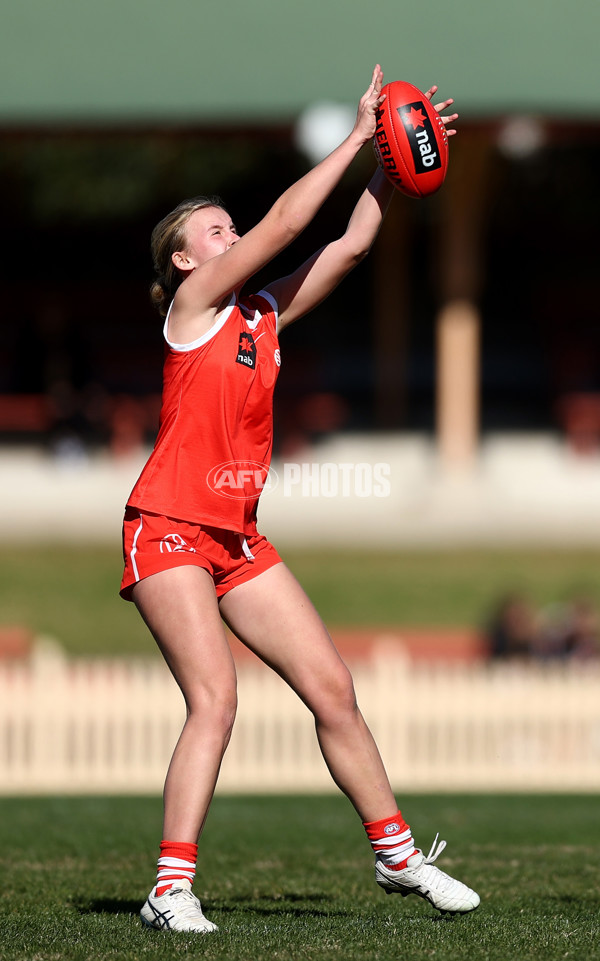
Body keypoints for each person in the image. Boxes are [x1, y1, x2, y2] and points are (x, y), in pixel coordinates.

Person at [120, 65, 479, 933]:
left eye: (228, 226)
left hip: (236, 535)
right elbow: (288, 223)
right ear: (183, 258)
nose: (230, 233)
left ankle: (397, 857)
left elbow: (348, 246)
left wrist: (393, 165)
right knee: (216, 698)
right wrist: (357, 135)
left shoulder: (259, 318)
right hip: (166, 525)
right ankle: (170, 889)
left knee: (334, 689)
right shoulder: (194, 308)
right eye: (215, 230)